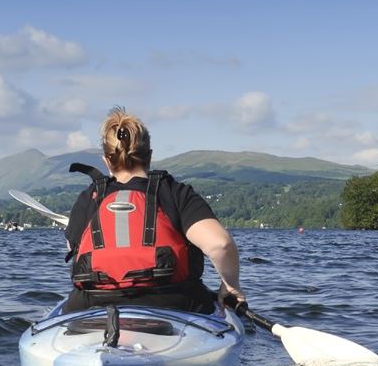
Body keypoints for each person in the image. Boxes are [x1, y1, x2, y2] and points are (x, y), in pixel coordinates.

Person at [61, 107, 245, 315]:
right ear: (149, 155)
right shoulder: (175, 192)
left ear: (106, 160)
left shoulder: (88, 198)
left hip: (90, 307)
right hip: (175, 305)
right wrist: (231, 286)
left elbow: (73, 247)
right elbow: (220, 245)